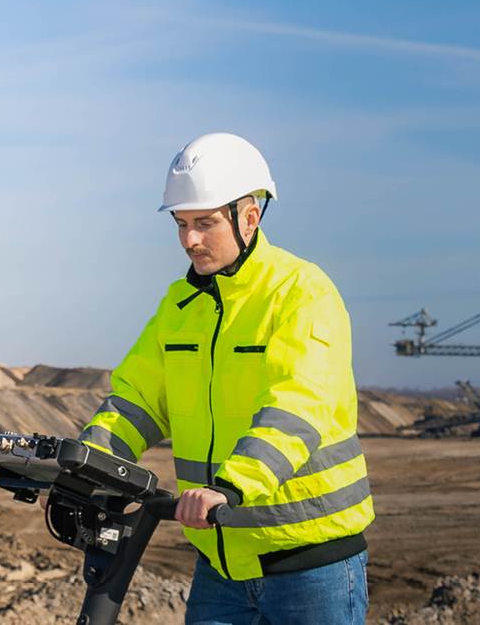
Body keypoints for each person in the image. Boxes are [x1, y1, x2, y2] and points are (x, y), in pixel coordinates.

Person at [78, 133, 373, 625]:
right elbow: (137, 401)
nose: (189, 239)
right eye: (181, 224)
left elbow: (297, 405)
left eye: (204, 223)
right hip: (220, 565)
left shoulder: (302, 294)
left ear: (249, 217)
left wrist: (230, 487)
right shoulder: (179, 306)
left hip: (310, 564)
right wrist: (88, 467)